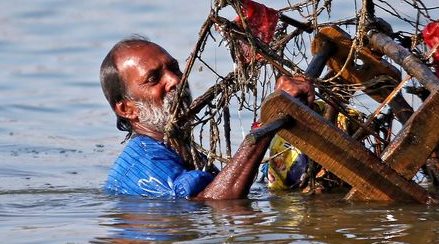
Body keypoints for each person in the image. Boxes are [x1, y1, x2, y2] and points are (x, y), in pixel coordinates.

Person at [100, 36, 313, 201]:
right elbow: (215, 201)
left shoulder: (177, 149)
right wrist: (269, 119)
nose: (175, 80)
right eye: (154, 78)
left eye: (174, 69)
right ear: (127, 109)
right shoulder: (146, 163)